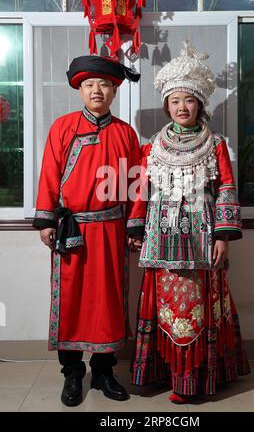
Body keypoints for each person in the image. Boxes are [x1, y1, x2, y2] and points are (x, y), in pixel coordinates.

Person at [132, 41, 250, 404]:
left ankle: (194, 379)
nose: (182, 107)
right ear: (167, 106)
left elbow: (227, 189)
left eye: (189, 100)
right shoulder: (153, 146)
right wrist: (136, 227)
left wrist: (223, 236)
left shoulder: (215, 144)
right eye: (175, 101)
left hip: (201, 242)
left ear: (199, 104)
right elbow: (141, 190)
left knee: (194, 307)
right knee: (165, 304)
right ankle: (161, 373)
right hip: (161, 240)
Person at [33, 55, 144, 407]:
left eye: (104, 85)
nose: (97, 90)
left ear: (114, 91)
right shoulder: (63, 127)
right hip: (72, 230)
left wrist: (134, 224)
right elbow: (50, 174)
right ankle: (72, 373)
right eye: (89, 85)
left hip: (111, 229)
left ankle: (104, 371)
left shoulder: (126, 133)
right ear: (80, 91)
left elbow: (137, 183)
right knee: (71, 300)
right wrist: (47, 219)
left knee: (108, 301)